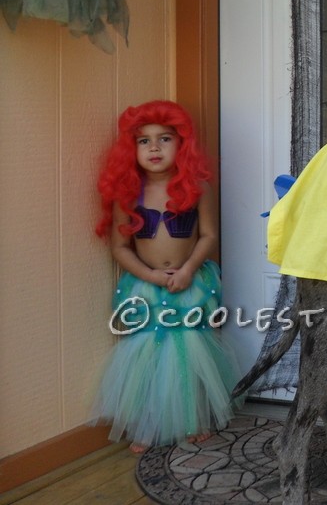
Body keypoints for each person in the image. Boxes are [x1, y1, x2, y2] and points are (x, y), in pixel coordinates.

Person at [92, 100, 240, 453]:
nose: (154, 147)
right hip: (148, 286)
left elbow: (208, 236)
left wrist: (188, 269)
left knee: (191, 352)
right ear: (132, 149)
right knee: (148, 355)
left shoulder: (197, 188)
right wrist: (152, 275)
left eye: (164, 138)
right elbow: (120, 247)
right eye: (144, 141)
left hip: (191, 283)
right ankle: (148, 424)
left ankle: (193, 420)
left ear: (182, 144)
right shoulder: (127, 193)